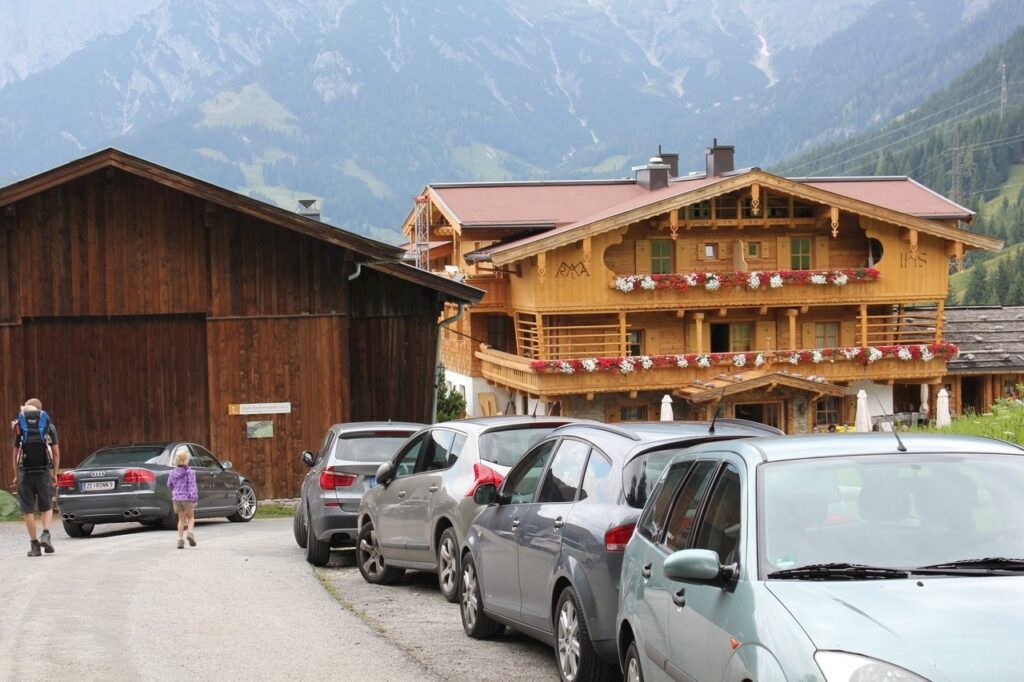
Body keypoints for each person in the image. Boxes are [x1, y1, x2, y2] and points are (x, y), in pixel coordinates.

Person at [12, 398, 60, 557]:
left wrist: (16, 475)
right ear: (40, 409)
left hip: (25, 472)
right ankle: (45, 534)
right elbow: (56, 453)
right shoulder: (48, 426)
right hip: (43, 471)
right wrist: (54, 473)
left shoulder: (19, 425)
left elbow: (15, 455)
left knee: (27, 510)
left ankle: (34, 546)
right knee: (47, 506)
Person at [167, 446, 198, 549]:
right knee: (191, 517)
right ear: (187, 460)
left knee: (181, 519)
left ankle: (180, 540)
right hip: (187, 498)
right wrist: (194, 498)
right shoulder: (190, 472)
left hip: (177, 498)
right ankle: (190, 533)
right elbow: (192, 486)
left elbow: (169, 484)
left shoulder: (172, 472)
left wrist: (175, 492)